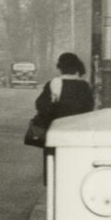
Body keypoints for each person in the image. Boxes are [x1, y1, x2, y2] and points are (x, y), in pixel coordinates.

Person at [34, 52, 94, 183]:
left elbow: (40, 106)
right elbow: (89, 109)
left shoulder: (53, 84)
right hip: (78, 135)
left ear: (60, 67)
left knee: (54, 172)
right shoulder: (84, 86)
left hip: (55, 133)